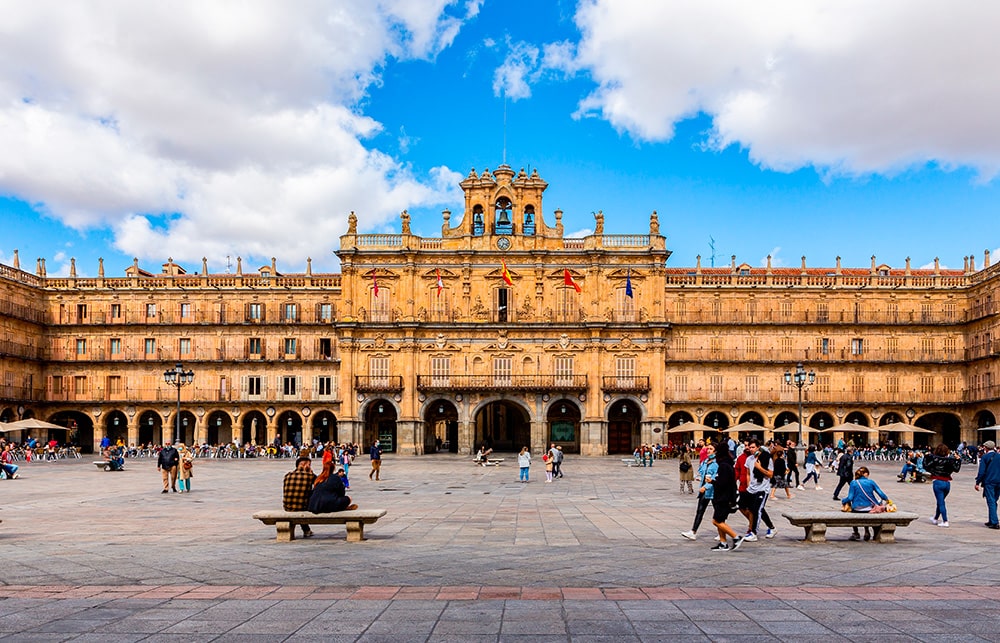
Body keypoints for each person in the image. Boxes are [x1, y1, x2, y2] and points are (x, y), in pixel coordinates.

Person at [708, 440, 744, 552]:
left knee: (716, 521)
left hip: (724, 497)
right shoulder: (727, 463)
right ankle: (723, 543)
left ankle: (736, 537)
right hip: (724, 496)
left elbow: (722, 483)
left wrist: (712, 481)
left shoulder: (723, 465)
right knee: (721, 520)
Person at [842, 466, 889, 541]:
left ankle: (856, 532)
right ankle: (867, 531)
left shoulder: (853, 483)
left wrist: (843, 501)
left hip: (857, 508)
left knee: (853, 511)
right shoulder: (871, 482)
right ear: (866, 474)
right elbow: (881, 494)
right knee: (872, 508)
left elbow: (850, 498)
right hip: (870, 508)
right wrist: (887, 500)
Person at [681, 444, 716, 540]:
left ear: (715, 451)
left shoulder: (717, 463)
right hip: (703, 490)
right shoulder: (705, 461)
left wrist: (706, 487)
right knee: (700, 511)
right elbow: (701, 472)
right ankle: (693, 531)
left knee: (718, 513)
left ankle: (722, 532)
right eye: (708, 449)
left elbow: (715, 477)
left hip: (713, 491)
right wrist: (698, 477)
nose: (708, 450)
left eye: (711, 449)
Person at [923, 443, 961, 527]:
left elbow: (926, 467)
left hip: (938, 482)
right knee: (940, 502)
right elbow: (957, 469)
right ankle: (935, 518)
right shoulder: (950, 460)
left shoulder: (935, 459)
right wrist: (959, 460)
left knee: (941, 503)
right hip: (947, 483)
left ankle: (945, 521)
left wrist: (925, 457)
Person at [282, 456, 317, 537]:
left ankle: (307, 530)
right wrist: (311, 473)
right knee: (310, 496)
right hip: (302, 507)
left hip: (287, 507)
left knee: (299, 499)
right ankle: (307, 530)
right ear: (304, 465)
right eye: (309, 465)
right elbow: (319, 484)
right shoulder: (310, 476)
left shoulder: (287, 475)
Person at [974, 440, 1000, 529]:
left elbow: (981, 472)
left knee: (991, 501)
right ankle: (991, 519)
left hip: (989, 482)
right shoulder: (999, 456)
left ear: (986, 448)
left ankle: (994, 522)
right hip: (999, 482)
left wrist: (977, 482)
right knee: (994, 501)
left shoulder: (985, 457)